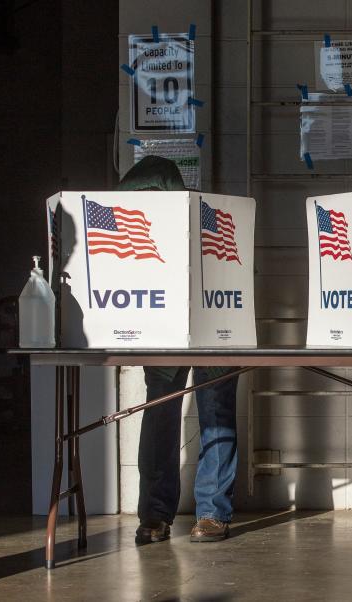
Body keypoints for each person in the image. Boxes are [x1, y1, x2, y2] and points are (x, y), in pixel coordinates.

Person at [118, 156, 240, 544]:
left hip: (212, 329)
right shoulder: (130, 231)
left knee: (214, 414)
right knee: (160, 418)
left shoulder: (206, 218)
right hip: (163, 332)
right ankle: (157, 514)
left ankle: (211, 512)